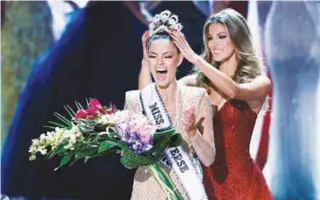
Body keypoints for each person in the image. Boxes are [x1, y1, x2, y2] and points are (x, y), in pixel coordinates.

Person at [139, 8, 273, 199]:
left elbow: (234, 91)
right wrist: (151, 58)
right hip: (202, 186)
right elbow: (160, 91)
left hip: (244, 188)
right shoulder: (197, 83)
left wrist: (194, 58)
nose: (214, 44)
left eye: (221, 37)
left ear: (237, 38)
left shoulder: (259, 83)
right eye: (210, 38)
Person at [125, 10, 215, 200]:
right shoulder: (135, 100)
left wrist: (192, 133)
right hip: (146, 191)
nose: (159, 63)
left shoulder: (197, 97)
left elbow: (209, 159)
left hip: (186, 190)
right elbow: (127, 161)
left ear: (179, 58)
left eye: (167, 56)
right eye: (153, 56)